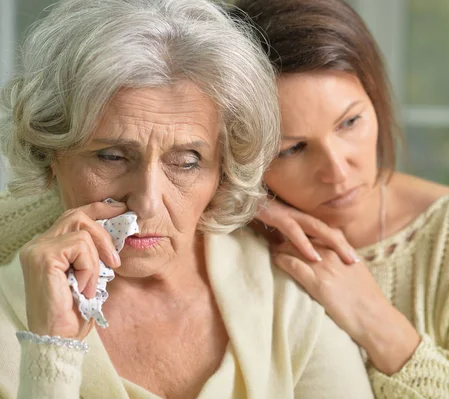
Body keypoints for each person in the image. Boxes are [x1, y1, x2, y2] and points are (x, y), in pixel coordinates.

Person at [0, 0, 375, 398]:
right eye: (111, 157)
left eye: (186, 162)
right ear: (51, 154)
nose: (147, 203)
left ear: (222, 171)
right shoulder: (11, 312)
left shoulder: (288, 298)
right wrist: (52, 351)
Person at [234, 0, 449, 397]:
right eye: (291, 149)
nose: (338, 172)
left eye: (350, 122)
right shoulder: (231, 240)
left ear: (375, 97)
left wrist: (373, 318)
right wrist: (240, 201)